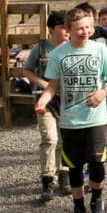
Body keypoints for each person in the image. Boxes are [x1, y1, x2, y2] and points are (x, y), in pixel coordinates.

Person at [35, 8, 107, 213]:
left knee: (96, 163)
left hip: (96, 118)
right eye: (80, 28)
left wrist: (103, 93)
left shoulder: (100, 50)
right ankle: (78, 207)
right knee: (73, 167)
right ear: (69, 30)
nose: (85, 31)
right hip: (70, 120)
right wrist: (43, 101)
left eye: (88, 27)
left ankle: (97, 201)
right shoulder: (58, 54)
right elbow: (52, 86)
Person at [21, 11, 71, 200]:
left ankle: (64, 173)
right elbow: (26, 70)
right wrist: (42, 83)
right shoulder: (41, 48)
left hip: (67, 101)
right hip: (45, 101)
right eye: (62, 27)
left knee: (65, 139)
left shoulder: (72, 47)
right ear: (51, 29)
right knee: (49, 138)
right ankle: (48, 179)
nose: (66, 31)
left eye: (68, 27)